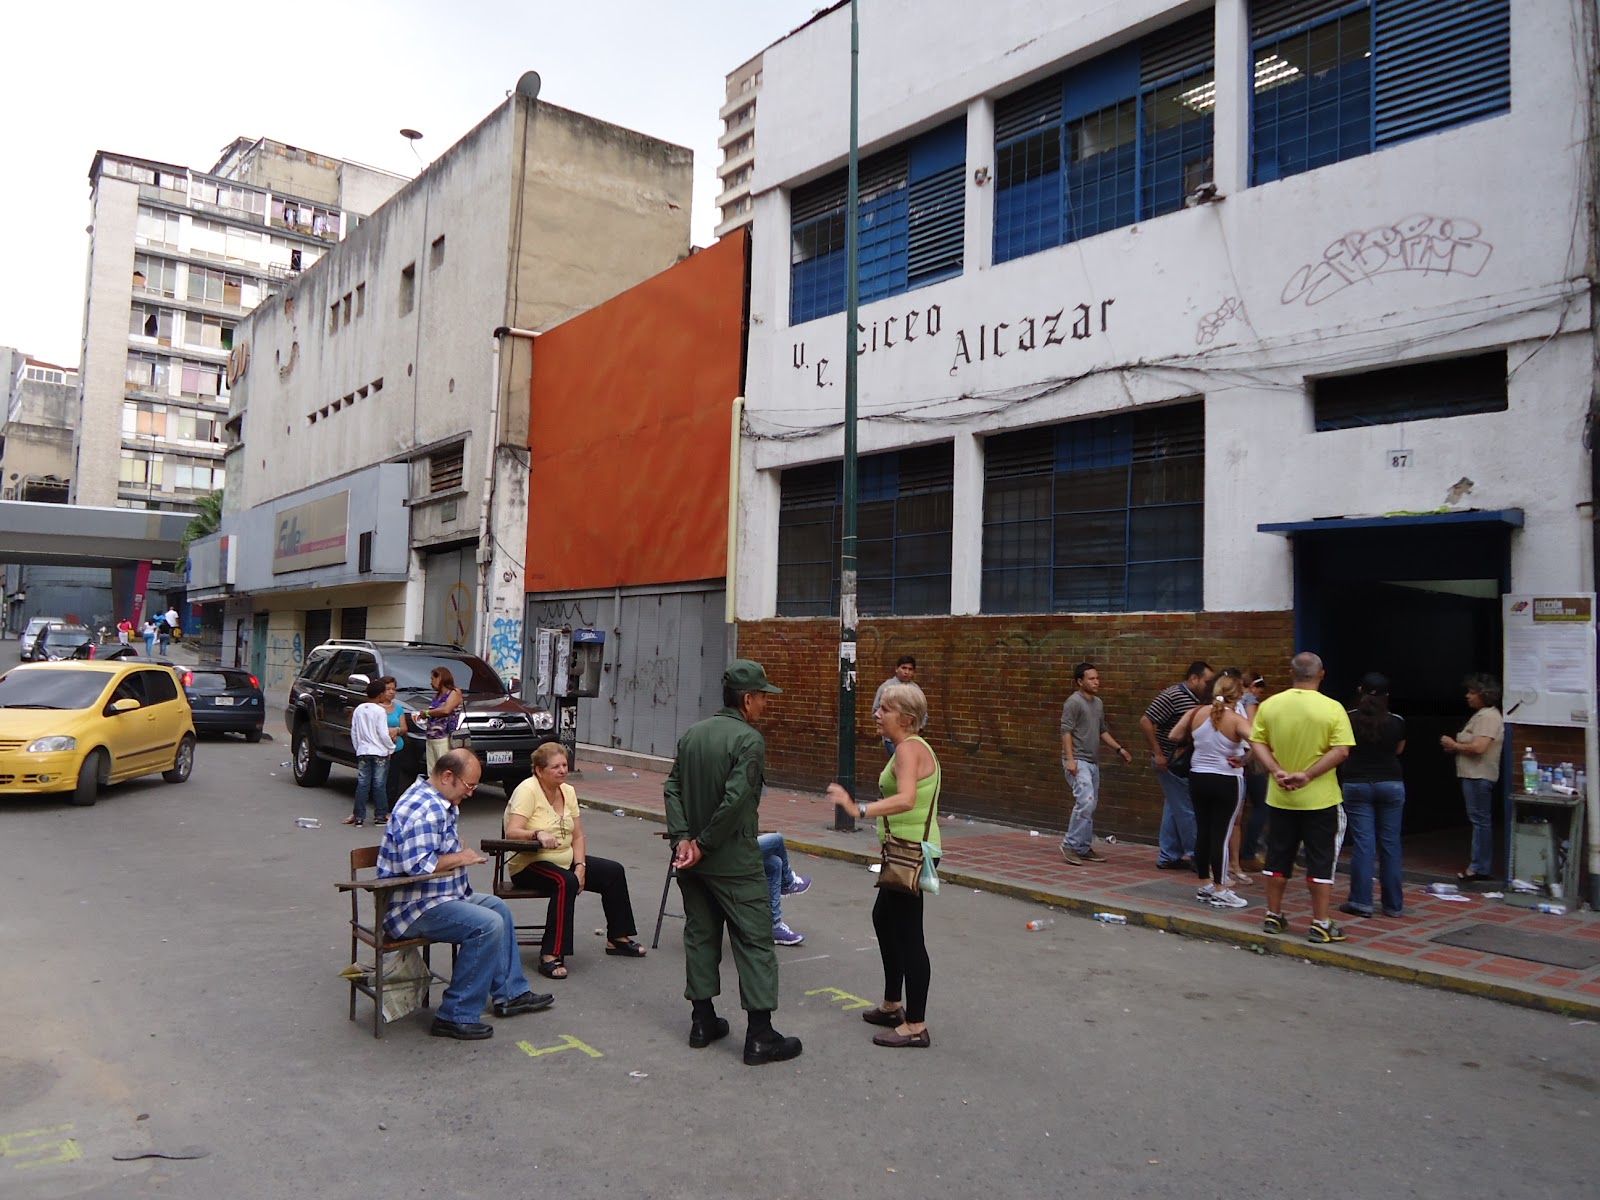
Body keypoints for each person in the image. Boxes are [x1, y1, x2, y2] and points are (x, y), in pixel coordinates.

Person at [664, 660, 801, 1066]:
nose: (764, 704)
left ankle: (702, 1021)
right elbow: (736, 801)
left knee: (701, 935)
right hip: (733, 860)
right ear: (747, 699)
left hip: (693, 860)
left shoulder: (694, 734)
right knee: (755, 940)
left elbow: (672, 787)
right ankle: (760, 1035)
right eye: (762, 696)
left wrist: (683, 839)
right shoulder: (748, 740)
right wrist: (703, 843)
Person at [378, 750, 554, 1039]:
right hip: (414, 907)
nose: (471, 793)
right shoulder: (424, 808)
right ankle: (455, 1013)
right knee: (486, 925)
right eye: (469, 786)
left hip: (443, 898)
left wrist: (454, 849)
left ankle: (510, 993)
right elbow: (419, 866)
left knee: (497, 908)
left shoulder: (442, 802)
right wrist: (461, 857)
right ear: (448, 776)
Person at [827, 682, 941, 1049]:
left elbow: (906, 799)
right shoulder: (908, 747)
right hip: (903, 850)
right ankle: (893, 1004)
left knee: (910, 936)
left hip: (912, 853)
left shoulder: (909, 749)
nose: (877, 714)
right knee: (885, 920)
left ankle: (915, 1024)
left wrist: (858, 809)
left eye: (885, 709)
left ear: (906, 719)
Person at [504, 742, 646, 978]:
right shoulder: (527, 790)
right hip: (529, 864)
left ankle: (618, 938)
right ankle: (551, 953)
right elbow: (512, 831)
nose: (562, 770)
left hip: (565, 861)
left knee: (612, 872)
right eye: (555, 767)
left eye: (564, 765)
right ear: (539, 770)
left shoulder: (567, 791)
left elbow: (578, 835)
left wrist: (581, 867)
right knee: (565, 881)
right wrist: (537, 834)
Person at [1250, 652, 1356, 943]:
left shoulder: (1270, 706)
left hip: (1280, 797)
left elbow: (1257, 741)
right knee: (1321, 861)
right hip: (1320, 800)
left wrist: (1276, 770)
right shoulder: (1333, 709)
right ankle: (1320, 922)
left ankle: (1273, 915)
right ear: (1322, 674)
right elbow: (1341, 750)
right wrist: (1308, 775)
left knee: (1277, 857)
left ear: (1291, 673)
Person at [1172, 675, 1253, 909]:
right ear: (1238, 696)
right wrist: (1244, 758)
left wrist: (1199, 740)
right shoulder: (1237, 720)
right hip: (1226, 779)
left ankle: (1205, 884)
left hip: (1198, 777)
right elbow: (1259, 743)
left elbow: (1174, 735)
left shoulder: (1196, 713)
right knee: (1222, 835)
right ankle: (1221, 887)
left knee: (1204, 831)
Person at [1340, 672, 1407, 918]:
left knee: (1364, 843)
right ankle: (1393, 905)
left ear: (1360, 691)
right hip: (1390, 782)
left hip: (1356, 783)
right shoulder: (1397, 720)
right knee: (1390, 843)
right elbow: (1399, 749)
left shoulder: (1348, 719)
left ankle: (1361, 902)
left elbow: (1341, 748)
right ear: (1387, 696)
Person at [1140, 661, 1215, 869]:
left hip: (1181, 762)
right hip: (1171, 761)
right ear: (1194, 679)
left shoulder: (1197, 699)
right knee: (1186, 809)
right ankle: (1196, 855)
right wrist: (1158, 753)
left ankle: (1168, 855)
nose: (1210, 686)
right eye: (1207, 681)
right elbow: (1146, 721)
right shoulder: (1172, 695)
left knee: (1174, 808)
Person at [1059, 662, 1133, 865]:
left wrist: (1119, 749)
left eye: (1097, 678)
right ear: (1079, 681)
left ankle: (1083, 847)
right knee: (1085, 801)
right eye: (1091, 678)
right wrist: (1071, 761)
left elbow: (1102, 731)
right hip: (1078, 761)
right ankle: (1070, 844)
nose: (1096, 682)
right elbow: (1065, 731)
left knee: (1090, 805)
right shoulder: (1073, 702)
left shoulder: (1098, 703)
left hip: (1092, 761)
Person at [1441, 673, 1504, 883]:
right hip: (1473, 774)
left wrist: (1454, 745)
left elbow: (1479, 747)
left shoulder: (1488, 717)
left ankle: (1479, 867)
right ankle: (1479, 865)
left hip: (1479, 775)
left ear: (1483, 694)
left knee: (1480, 821)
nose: (1468, 696)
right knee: (1479, 820)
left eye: (1472, 692)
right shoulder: (1482, 715)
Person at [344, 678, 395, 827]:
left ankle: (359, 816)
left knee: (362, 783)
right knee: (379, 784)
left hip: (363, 750)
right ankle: (380, 815)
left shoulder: (359, 709)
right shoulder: (380, 711)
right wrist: (390, 747)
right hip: (379, 751)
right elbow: (383, 733)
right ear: (380, 695)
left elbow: (354, 731)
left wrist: (358, 747)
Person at [1237, 672, 1271, 871]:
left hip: (1239, 759)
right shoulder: (1249, 700)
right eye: (1259, 688)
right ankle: (1248, 853)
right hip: (1250, 759)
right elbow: (1253, 731)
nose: (1259, 694)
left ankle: (1242, 853)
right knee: (1262, 804)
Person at [759, 832, 812, 945]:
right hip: (729, 850)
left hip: (737, 844)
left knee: (775, 864)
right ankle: (788, 883)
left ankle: (775, 925)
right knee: (777, 839)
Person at [872, 655, 925, 756]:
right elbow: (876, 710)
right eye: (904, 668)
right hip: (891, 739)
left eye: (910, 669)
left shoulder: (915, 689)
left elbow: (922, 712)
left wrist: (919, 727)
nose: (906, 672)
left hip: (911, 737)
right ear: (897, 669)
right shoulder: (886, 687)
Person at [421, 666, 466, 772]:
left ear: (440, 678)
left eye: (432, 679)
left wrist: (427, 713)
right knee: (432, 771)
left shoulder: (454, 692)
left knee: (444, 770)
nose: (431, 682)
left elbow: (446, 710)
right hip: (431, 737)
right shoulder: (436, 696)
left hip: (444, 737)